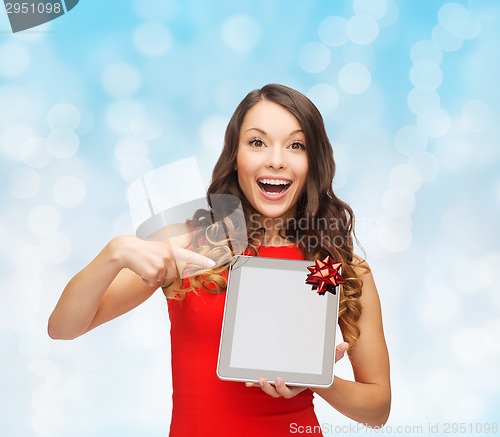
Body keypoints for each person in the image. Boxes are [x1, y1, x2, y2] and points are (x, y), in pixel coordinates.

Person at [48, 84, 391, 436]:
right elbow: (63, 328)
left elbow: (378, 409)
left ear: (312, 162)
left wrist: (317, 378)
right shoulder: (187, 246)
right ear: (235, 154)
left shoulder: (335, 268)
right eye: (257, 142)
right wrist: (115, 252)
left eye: (296, 145)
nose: (276, 159)